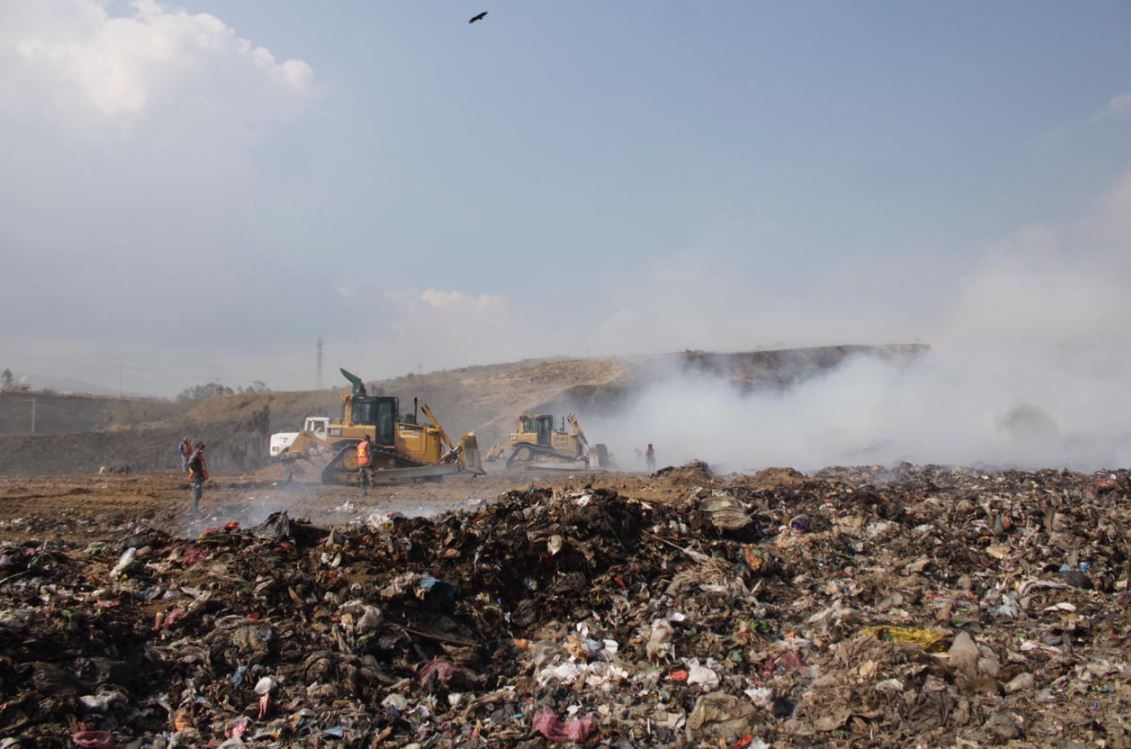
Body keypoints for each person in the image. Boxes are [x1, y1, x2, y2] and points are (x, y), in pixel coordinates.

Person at [187, 442, 208, 513]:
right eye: (201, 448)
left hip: (199, 478)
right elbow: (191, 464)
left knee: (199, 494)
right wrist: (197, 472)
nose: (202, 450)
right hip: (196, 478)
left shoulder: (198, 455)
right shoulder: (195, 456)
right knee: (196, 494)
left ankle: (196, 509)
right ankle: (195, 511)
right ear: (197, 448)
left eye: (203, 448)